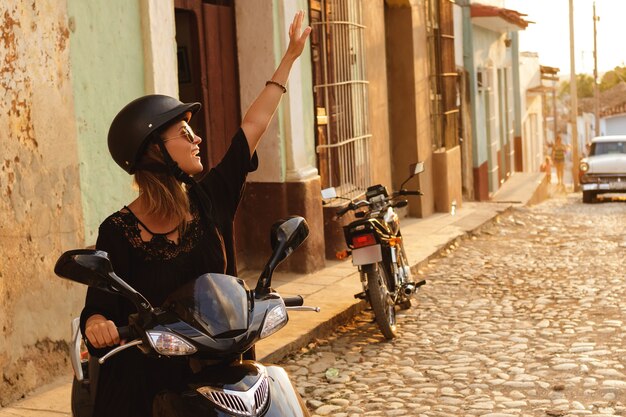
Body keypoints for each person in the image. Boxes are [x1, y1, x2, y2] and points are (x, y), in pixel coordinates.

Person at [79, 11, 311, 417]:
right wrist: (98, 321)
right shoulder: (117, 231)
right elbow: (100, 303)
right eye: (184, 134)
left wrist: (290, 57)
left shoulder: (209, 200)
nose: (197, 138)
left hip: (221, 364)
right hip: (152, 376)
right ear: (154, 151)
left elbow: (252, 127)